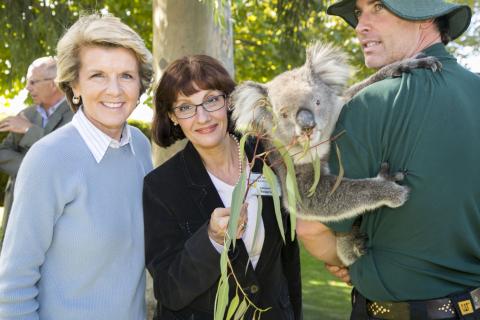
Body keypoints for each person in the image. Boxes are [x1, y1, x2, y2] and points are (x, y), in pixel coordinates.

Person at [297, 0, 480, 319]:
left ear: (425, 17)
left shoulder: (370, 104)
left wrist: (354, 265)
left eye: (378, 7)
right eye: (358, 12)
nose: (360, 26)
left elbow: (310, 228)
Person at [0, 14, 153, 319]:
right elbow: (13, 287)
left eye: (126, 75)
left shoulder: (139, 145)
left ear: (140, 84)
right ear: (74, 85)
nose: (115, 90)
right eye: (97, 75)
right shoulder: (48, 158)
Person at [143, 55, 302, 320]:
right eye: (185, 107)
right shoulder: (161, 187)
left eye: (211, 99)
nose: (202, 117)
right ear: (172, 117)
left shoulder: (269, 158)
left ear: (228, 100)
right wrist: (211, 240)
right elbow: (170, 290)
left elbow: (289, 260)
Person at [0, 57, 72, 246]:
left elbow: (64, 156)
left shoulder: (77, 114)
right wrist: (33, 169)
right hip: (18, 202)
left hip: (55, 207)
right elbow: (3, 153)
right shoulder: (27, 113)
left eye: (33, 82)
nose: (27, 88)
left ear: (54, 83)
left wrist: (27, 130)